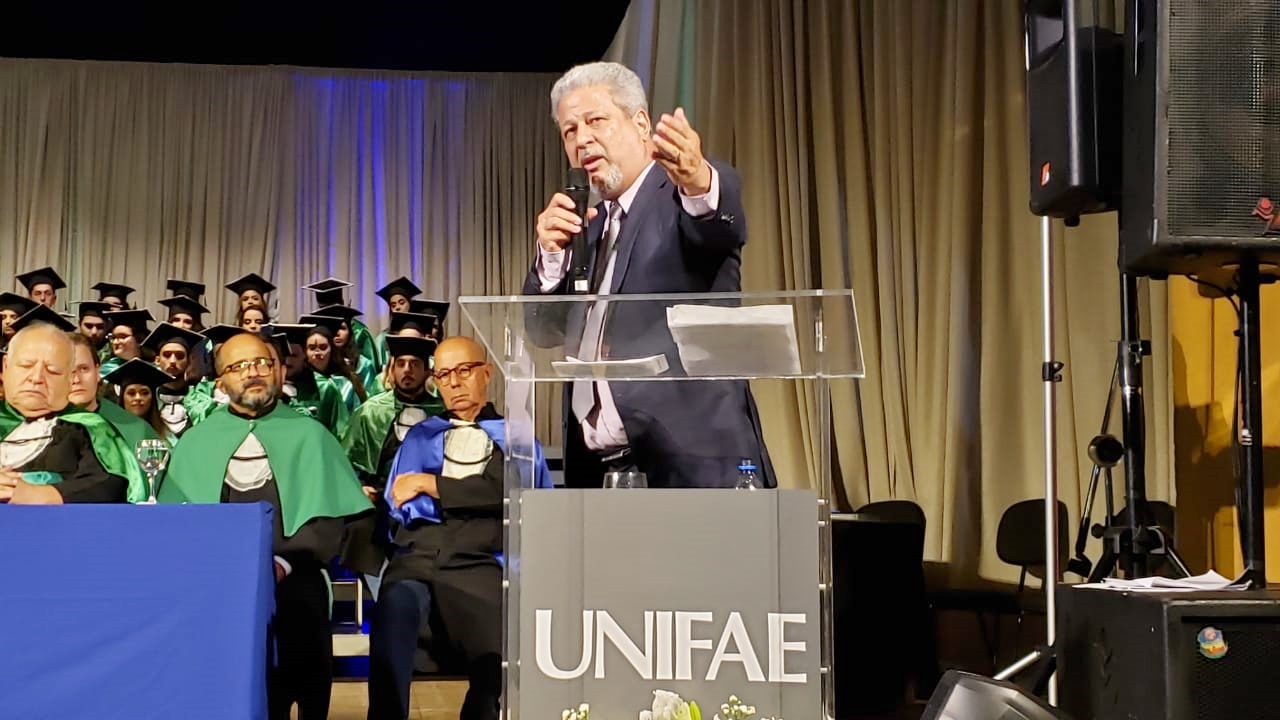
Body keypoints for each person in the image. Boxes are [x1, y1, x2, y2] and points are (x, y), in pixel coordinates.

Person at [521, 60, 775, 489]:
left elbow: (716, 222)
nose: (582, 139)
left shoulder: (678, 196)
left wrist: (698, 179)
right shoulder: (588, 228)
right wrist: (550, 256)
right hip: (602, 475)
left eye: (595, 121)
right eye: (569, 131)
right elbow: (542, 331)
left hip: (692, 470)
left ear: (641, 124)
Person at [158, 331, 372, 720]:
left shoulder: (311, 435)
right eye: (238, 366)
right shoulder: (196, 442)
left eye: (261, 362)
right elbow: (180, 524)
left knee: (303, 625)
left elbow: (330, 522)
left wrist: (282, 564)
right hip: (219, 586)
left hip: (296, 576)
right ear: (220, 382)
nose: (252, 372)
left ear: (277, 370)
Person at [368, 336, 551, 720]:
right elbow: (397, 496)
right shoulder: (422, 434)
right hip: (419, 554)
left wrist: (430, 484)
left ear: (486, 373)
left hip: (479, 555)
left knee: (495, 660)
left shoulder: (514, 437)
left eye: (464, 371)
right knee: (393, 620)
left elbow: (508, 491)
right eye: (444, 375)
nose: (454, 382)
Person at [339, 334, 442, 597]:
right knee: (360, 529)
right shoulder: (370, 412)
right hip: (379, 500)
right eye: (401, 364)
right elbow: (343, 464)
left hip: (429, 500)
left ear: (427, 371)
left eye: (415, 364)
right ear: (391, 369)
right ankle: (383, 595)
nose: (407, 370)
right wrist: (358, 488)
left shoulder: (443, 413)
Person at [0, 323, 146, 504]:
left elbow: (109, 483)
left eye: (52, 371)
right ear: (5, 367)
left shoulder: (88, 428)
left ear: (70, 379)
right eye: (26, 365)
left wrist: (46, 494)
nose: (36, 378)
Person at [68, 333, 160, 449]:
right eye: (67, 370)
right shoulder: (47, 426)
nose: (76, 379)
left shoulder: (138, 431)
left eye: (84, 369)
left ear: (97, 372)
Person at [141, 322, 218, 438]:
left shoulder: (204, 404)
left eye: (179, 356)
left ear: (188, 361)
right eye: (167, 355)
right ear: (157, 360)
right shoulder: (147, 402)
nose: (173, 361)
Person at [105, 358, 173, 442]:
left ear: (152, 398)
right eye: (131, 393)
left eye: (144, 393)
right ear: (122, 398)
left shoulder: (167, 436)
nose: (138, 398)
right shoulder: (109, 433)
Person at [371, 277, 422, 367]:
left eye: (401, 303)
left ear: (410, 305)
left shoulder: (420, 335)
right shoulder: (383, 338)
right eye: (393, 305)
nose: (397, 307)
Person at [100, 309, 154, 378]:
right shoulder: (105, 371)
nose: (115, 342)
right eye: (113, 337)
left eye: (122, 337)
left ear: (139, 339)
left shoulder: (153, 370)